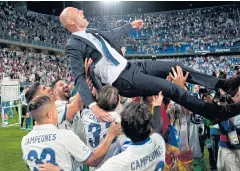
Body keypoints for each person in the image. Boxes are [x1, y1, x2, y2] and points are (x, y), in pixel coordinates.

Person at [60, 7, 240, 122]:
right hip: (122, 80)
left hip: (132, 66)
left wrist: (129, 25)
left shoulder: (91, 31)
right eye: (77, 11)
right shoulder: (73, 45)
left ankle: (224, 85)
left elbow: (111, 34)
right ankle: (213, 112)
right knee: (171, 89)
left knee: (176, 66)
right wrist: (94, 107)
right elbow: (78, 77)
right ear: (70, 21)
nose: (82, 12)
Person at [21, 95, 122, 171]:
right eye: (56, 110)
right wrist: (110, 135)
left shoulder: (25, 141)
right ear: (50, 114)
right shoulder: (65, 136)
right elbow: (93, 161)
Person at [96, 101, 166, 171]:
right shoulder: (159, 141)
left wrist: (110, 134)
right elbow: (158, 127)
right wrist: (157, 105)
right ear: (150, 128)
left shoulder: (118, 163)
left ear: (124, 131)